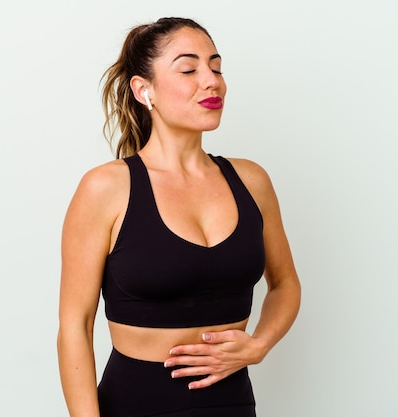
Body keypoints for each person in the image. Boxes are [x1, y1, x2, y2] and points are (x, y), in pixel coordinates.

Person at [57, 17, 301, 417]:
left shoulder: (251, 181)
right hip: (136, 404)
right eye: (189, 69)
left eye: (216, 67)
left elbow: (286, 283)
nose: (212, 81)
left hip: (233, 402)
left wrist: (258, 345)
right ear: (143, 89)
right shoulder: (106, 188)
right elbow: (75, 326)